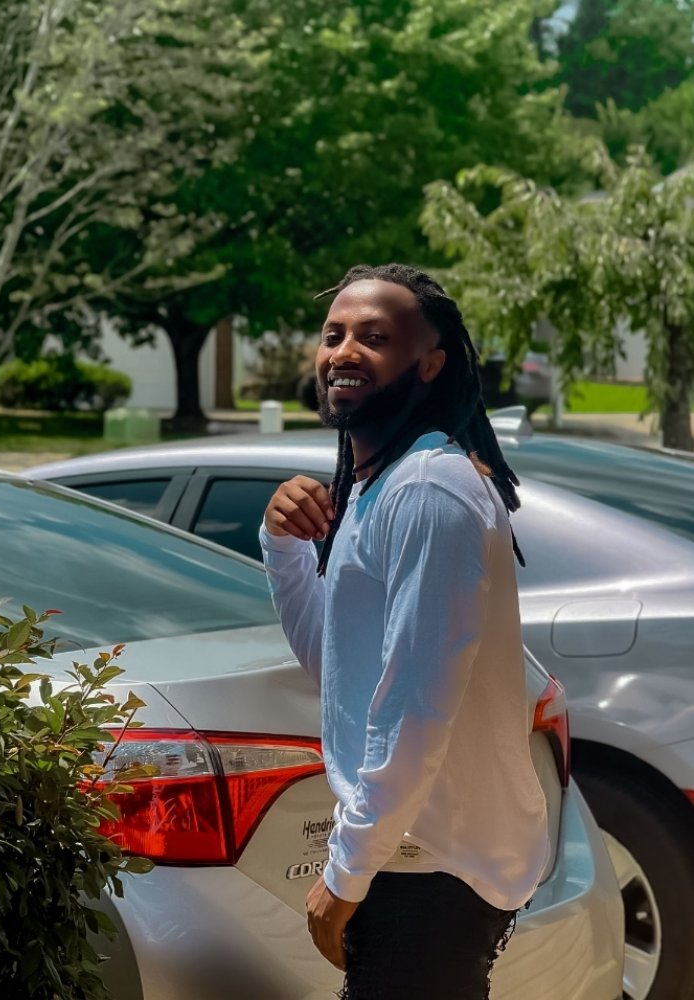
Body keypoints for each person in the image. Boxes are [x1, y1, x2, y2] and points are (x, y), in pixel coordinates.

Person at [260, 263, 550, 999]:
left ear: (429, 364)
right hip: (413, 859)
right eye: (334, 334)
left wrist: (347, 871)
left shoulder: (427, 488)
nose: (344, 351)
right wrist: (283, 547)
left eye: (375, 337)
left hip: (430, 872)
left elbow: (417, 706)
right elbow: (340, 668)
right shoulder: (379, 485)